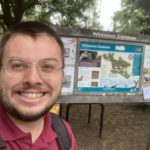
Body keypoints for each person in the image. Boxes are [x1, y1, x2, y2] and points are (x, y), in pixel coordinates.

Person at [0, 21, 77, 150]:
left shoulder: (63, 133)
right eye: (18, 65)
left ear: (62, 75)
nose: (32, 79)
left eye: (47, 66)